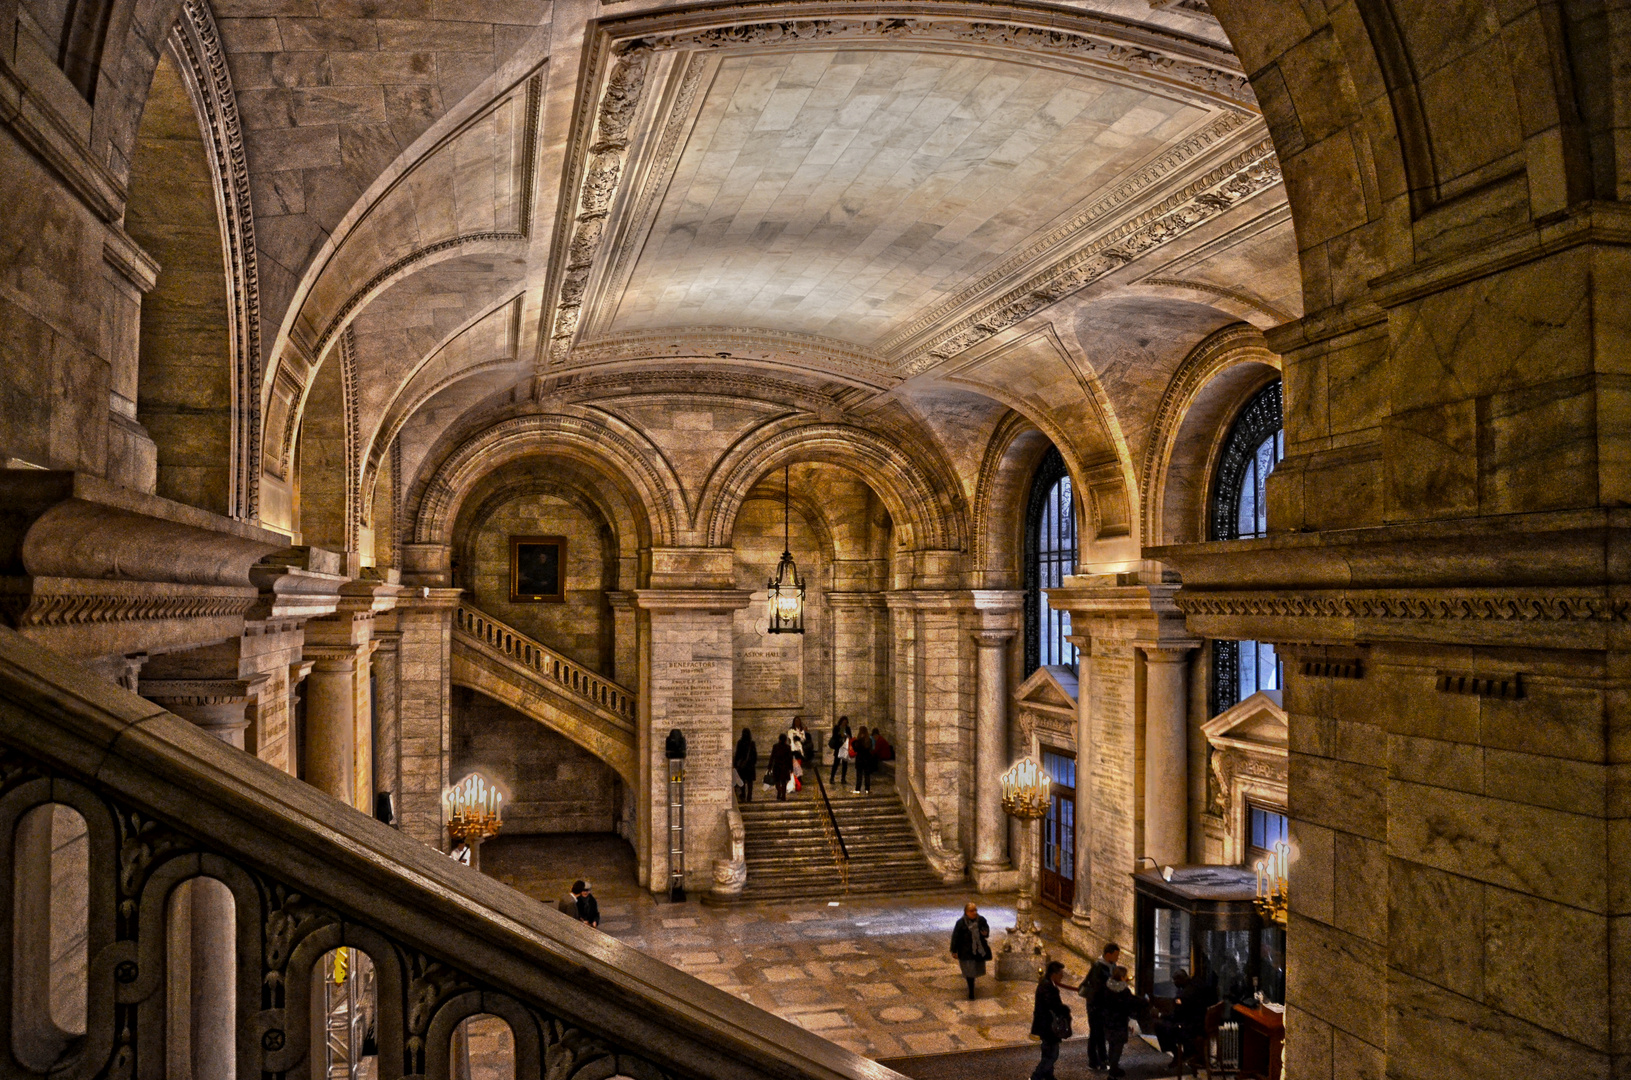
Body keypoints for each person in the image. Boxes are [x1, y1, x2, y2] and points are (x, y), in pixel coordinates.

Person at [1080, 940, 1121, 1071]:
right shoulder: (1098, 967)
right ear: (1108, 955)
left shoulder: (1111, 965)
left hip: (1104, 1007)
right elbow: (1099, 988)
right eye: (1116, 955)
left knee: (1101, 1033)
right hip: (1096, 1006)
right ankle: (1095, 1061)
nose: (1117, 958)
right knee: (1096, 1033)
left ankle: (1103, 1059)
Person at [1030, 960, 1074, 1080]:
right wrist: (1065, 1009)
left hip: (1045, 1025)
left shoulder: (1048, 984)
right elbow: (1052, 1005)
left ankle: (1048, 1076)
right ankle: (1036, 1077)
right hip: (1047, 1026)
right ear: (1053, 974)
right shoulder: (1047, 987)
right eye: (1060, 973)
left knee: (1048, 1052)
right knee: (1052, 1055)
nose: (1062, 976)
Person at [1099, 965, 1143, 1079]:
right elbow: (1130, 1004)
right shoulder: (1124, 990)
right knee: (1118, 1046)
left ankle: (1112, 1067)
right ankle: (1113, 1071)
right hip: (1119, 1022)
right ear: (1122, 977)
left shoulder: (1106, 987)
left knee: (1112, 1044)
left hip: (1108, 1021)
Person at [949, 902, 992, 999]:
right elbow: (956, 937)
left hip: (978, 951)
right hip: (966, 951)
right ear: (966, 912)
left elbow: (986, 930)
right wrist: (954, 950)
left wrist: (985, 933)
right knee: (969, 971)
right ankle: (971, 991)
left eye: (975, 910)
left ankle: (972, 986)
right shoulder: (961, 923)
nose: (974, 913)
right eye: (971, 911)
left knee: (975, 970)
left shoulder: (981, 920)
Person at [733, 728, 758, 803]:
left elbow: (737, 754)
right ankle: (749, 797)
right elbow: (754, 755)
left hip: (742, 766)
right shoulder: (751, 743)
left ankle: (743, 795)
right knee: (750, 783)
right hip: (750, 766)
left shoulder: (740, 742)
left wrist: (735, 764)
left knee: (742, 782)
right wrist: (753, 763)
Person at [769, 734, 795, 801]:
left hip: (777, 766)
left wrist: (769, 766)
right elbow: (790, 758)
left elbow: (772, 757)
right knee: (784, 782)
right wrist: (791, 768)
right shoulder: (787, 747)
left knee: (777, 781)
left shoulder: (775, 747)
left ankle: (779, 791)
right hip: (785, 767)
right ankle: (783, 795)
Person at [828, 716, 853, 785]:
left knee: (845, 764)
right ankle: (832, 777)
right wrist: (840, 734)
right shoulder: (837, 728)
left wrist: (847, 735)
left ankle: (843, 778)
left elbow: (850, 736)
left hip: (845, 747)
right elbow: (834, 736)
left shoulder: (847, 728)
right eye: (843, 722)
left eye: (845, 722)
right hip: (838, 747)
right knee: (836, 763)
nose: (844, 723)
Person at [851, 725, 874, 794]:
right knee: (867, 775)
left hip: (860, 759)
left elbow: (856, 749)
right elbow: (871, 749)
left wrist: (853, 743)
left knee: (859, 775)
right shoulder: (869, 740)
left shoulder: (858, 741)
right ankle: (867, 789)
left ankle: (858, 789)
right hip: (867, 759)